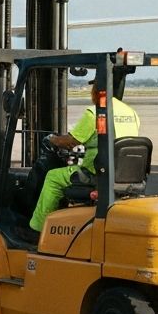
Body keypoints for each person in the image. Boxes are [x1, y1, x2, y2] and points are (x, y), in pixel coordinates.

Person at [25, 79, 140, 239]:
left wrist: (53, 139)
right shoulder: (131, 113)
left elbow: (72, 141)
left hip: (96, 173)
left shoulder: (96, 113)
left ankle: (36, 231)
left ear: (98, 90)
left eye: (93, 88)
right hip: (123, 173)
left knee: (53, 177)